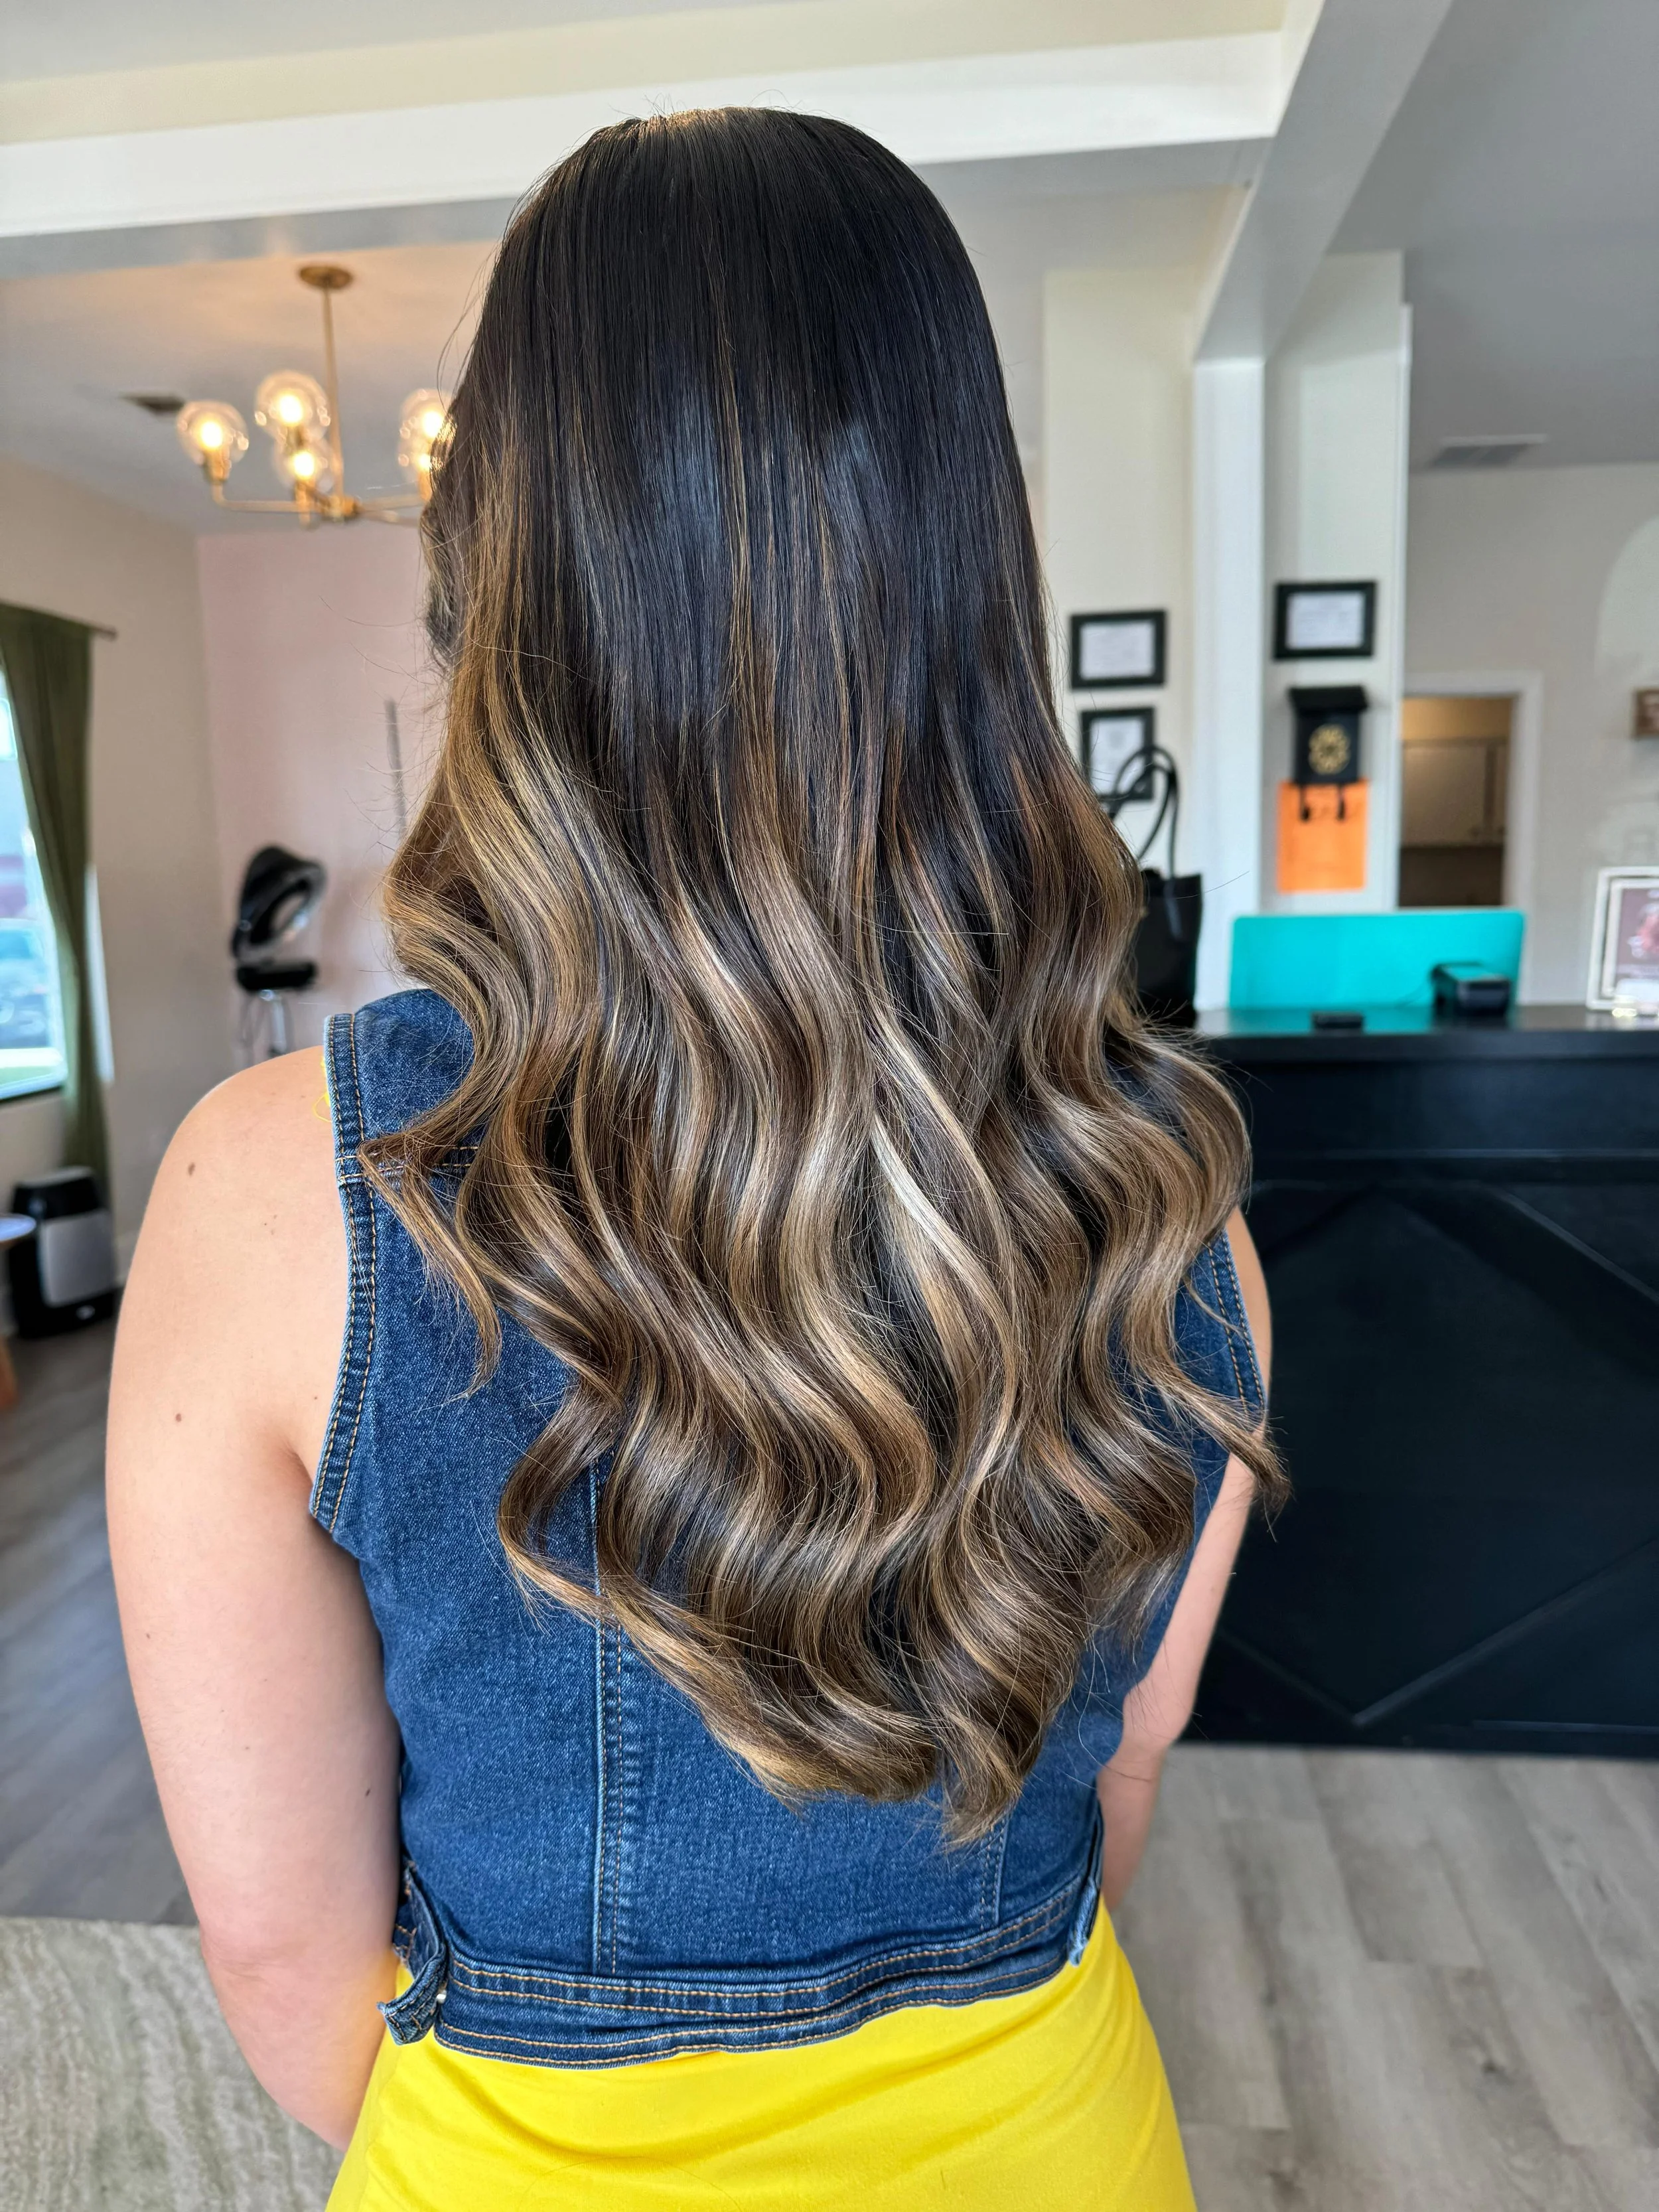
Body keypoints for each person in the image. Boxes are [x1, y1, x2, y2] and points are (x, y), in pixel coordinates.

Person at [108, 108, 1278, 2210]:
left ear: (499, 567)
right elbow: (1114, 1793)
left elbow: (290, 1962)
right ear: (967, 557)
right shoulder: (1167, 1195)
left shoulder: (263, 1194)